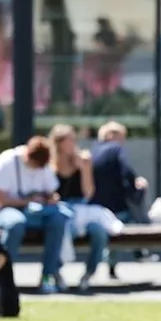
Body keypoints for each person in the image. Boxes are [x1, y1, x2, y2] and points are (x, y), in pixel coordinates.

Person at [0, 136, 71, 294]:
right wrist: (27, 201)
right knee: (15, 224)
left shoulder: (44, 166)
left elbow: (53, 193)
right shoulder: (7, 161)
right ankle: (4, 278)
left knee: (58, 220)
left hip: (37, 213)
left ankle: (48, 275)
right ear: (27, 157)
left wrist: (49, 200)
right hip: (7, 210)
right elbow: (1, 199)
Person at [51, 124, 115, 292]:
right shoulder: (50, 165)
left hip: (82, 209)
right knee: (59, 231)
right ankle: (56, 274)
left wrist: (84, 168)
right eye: (69, 140)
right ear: (59, 143)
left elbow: (88, 193)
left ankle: (88, 274)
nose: (73, 143)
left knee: (99, 232)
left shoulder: (83, 159)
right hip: (60, 210)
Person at [90, 121, 153, 275]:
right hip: (116, 204)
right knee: (134, 217)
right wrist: (135, 187)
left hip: (96, 206)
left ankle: (112, 264)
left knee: (114, 227)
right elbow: (126, 170)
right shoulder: (116, 149)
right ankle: (140, 249)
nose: (124, 141)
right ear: (111, 135)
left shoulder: (93, 151)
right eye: (122, 136)